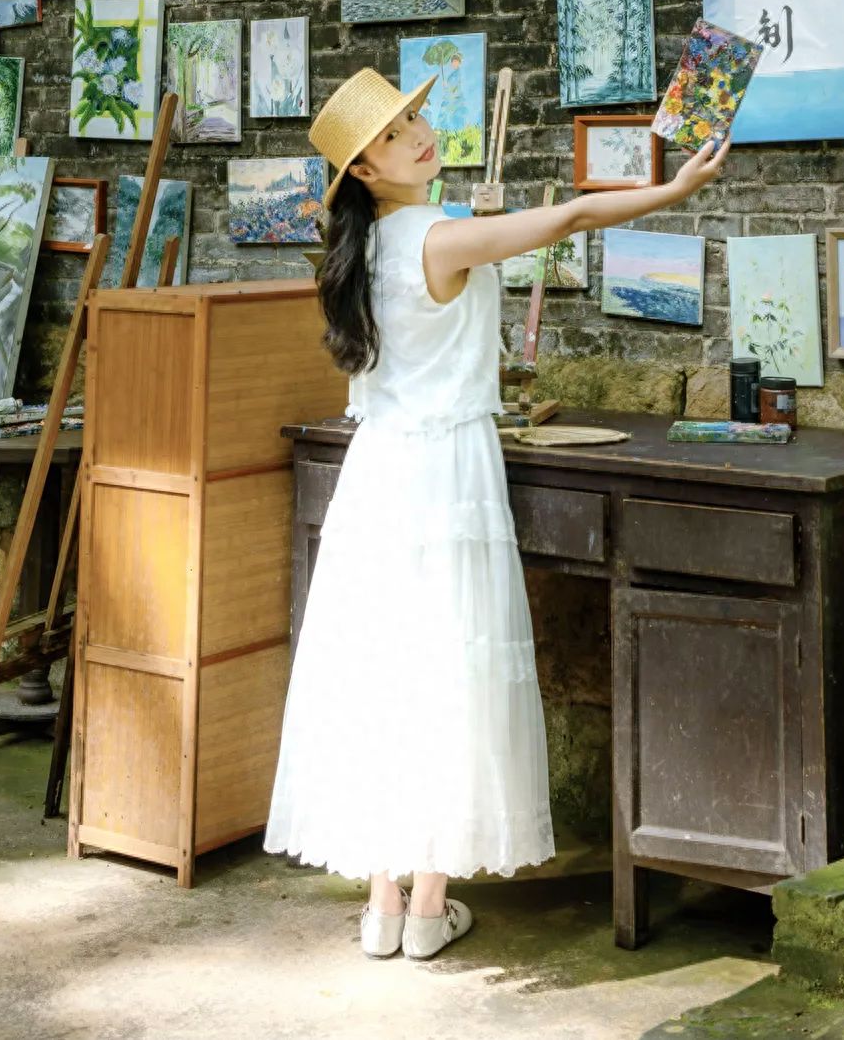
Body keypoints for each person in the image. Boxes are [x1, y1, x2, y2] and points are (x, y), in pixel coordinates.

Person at [263, 67, 730, 961]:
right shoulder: (441, 239)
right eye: (400, 134)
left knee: (381, 674)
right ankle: (429, 905)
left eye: (417, 117)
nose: (424, 134)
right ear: (366, 168)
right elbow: (568, 220)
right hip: (443, 472)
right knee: (450, 670)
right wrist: (672, 188)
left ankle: (384, 907)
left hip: (377, 473)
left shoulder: (360, 253)